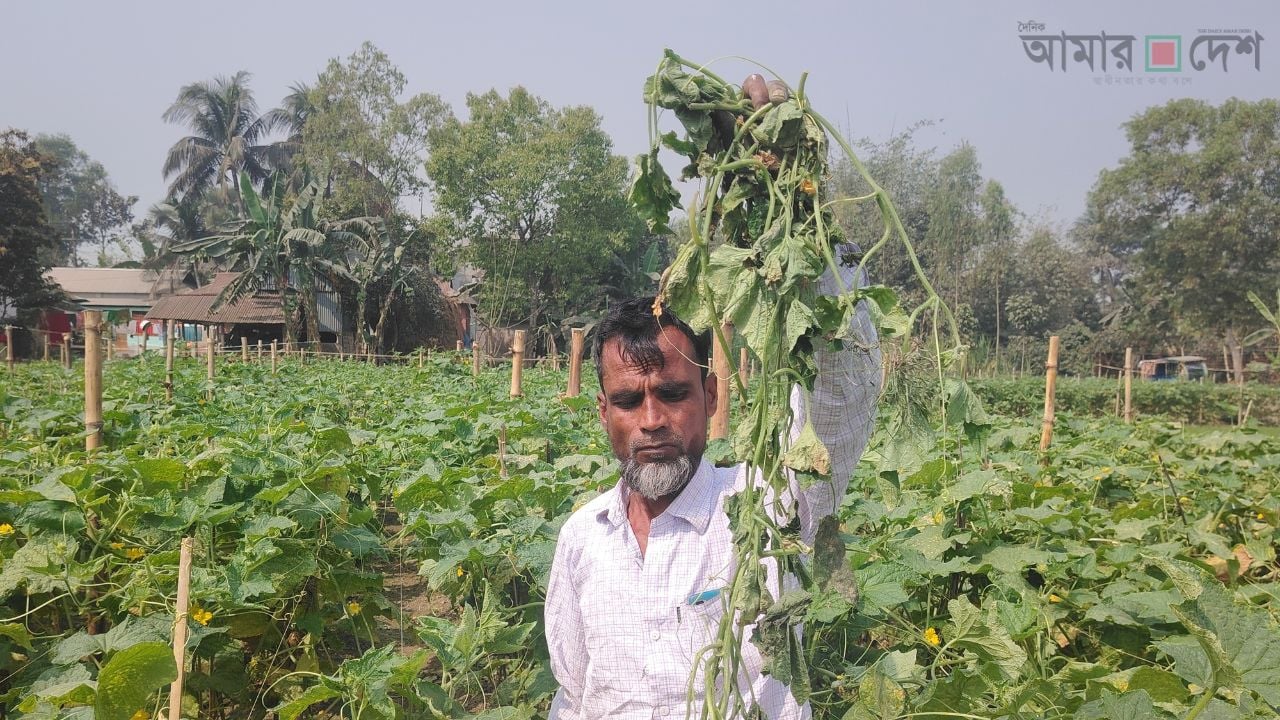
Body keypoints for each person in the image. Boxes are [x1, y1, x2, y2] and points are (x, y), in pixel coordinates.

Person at [544, 255, 882, 719]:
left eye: (672, 393)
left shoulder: (767, 508)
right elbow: (573, 695)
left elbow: (841, 398)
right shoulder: (582, 536)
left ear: (710, 396)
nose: (651, 421)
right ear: (603, 411)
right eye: (627, 401)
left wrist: (813, 249)